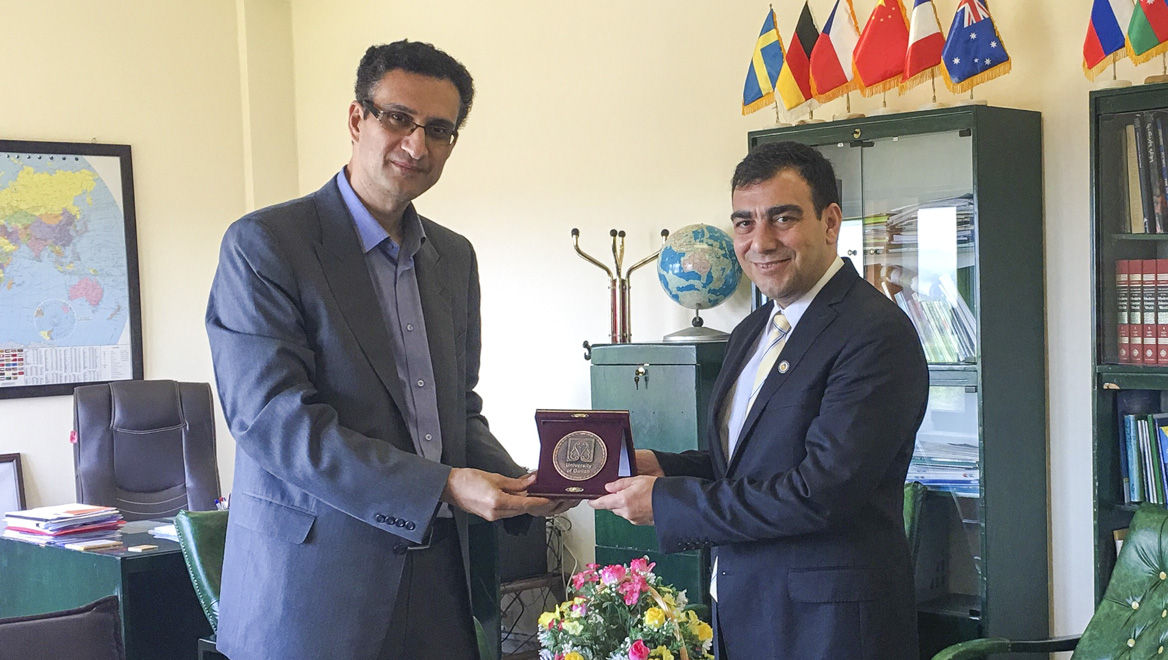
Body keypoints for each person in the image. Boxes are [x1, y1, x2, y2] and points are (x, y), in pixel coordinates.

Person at [206, 40, 570, 660]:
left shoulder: (453, 257)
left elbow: (457, 411)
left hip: (440, 584)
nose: (417, 146)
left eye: (439, 130)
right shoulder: (265, 245)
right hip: (313, 591)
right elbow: (275, 423)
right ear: (357, 119)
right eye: (399, 118)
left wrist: (522, 486)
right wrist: (444, 485)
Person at [591, 141, 929, 659]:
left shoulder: (874, 333)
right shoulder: (754, 330)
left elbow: (820, 492)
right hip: (747, 610)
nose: (761, 242)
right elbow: (749, 464)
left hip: (830, 630)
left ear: (830, 222)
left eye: (783, 218)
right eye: (744, 223)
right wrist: (663, 467)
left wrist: (668, 503)